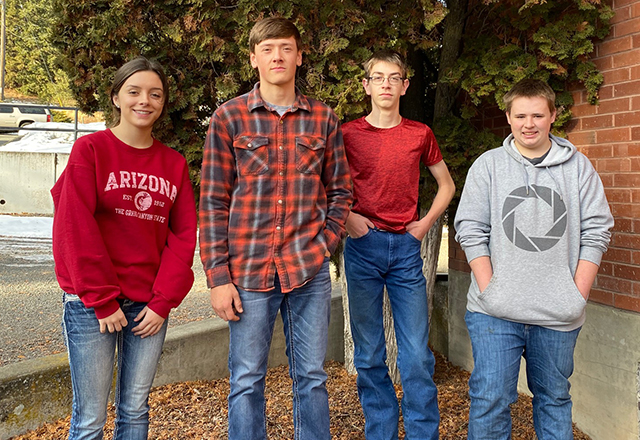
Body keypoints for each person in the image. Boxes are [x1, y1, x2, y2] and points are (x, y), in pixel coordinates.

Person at [198, 17, 352, 440]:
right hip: (248, 272)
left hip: (308, 268)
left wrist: (324, 245)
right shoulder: (229, 118)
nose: (277, 56)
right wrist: (218, 278)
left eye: (286, 48)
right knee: (246, 379)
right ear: (254, 58)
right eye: (267, 49)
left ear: (299, 56)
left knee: (312, 376)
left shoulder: (323, 118)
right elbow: (212, 201)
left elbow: (341, 191)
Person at [454, 78, 614, 439]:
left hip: (558, 315)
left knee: (554, 399)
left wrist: (576, 295)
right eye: (521, 115)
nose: (529, 124)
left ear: (553, 116)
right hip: (494, 313)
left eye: (538, 115)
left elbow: (597, 230)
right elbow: (470, 228)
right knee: (490, 400)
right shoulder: (489, 166)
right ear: (508, 117)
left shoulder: (578, 168)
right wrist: (491, 289)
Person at [51, 57, 197, 440]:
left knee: (135, 410)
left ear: (163, 103)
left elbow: (183, 236)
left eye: (155, 94)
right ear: (116, 97)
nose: (144, 100)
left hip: (148, 307)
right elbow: (73, 227)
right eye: (134, 91)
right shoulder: (90, 150)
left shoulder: (173, 164)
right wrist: (102, 299)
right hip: (91, 304)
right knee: (90, 418)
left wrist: (163, 302)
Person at [342, 50, 455, 440]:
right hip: (363, 248)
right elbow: (324, 184)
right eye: (378, 77)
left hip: (406, 250)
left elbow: (446, 185)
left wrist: (424, 225)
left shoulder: (419, 134)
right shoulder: (348, 134)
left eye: (394, 78)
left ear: (405, 86)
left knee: (417, 355)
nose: (386, 84)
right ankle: (381, 432)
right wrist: (348, 218)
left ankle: (423, 433)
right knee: (369, 353)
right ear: (366, 85)